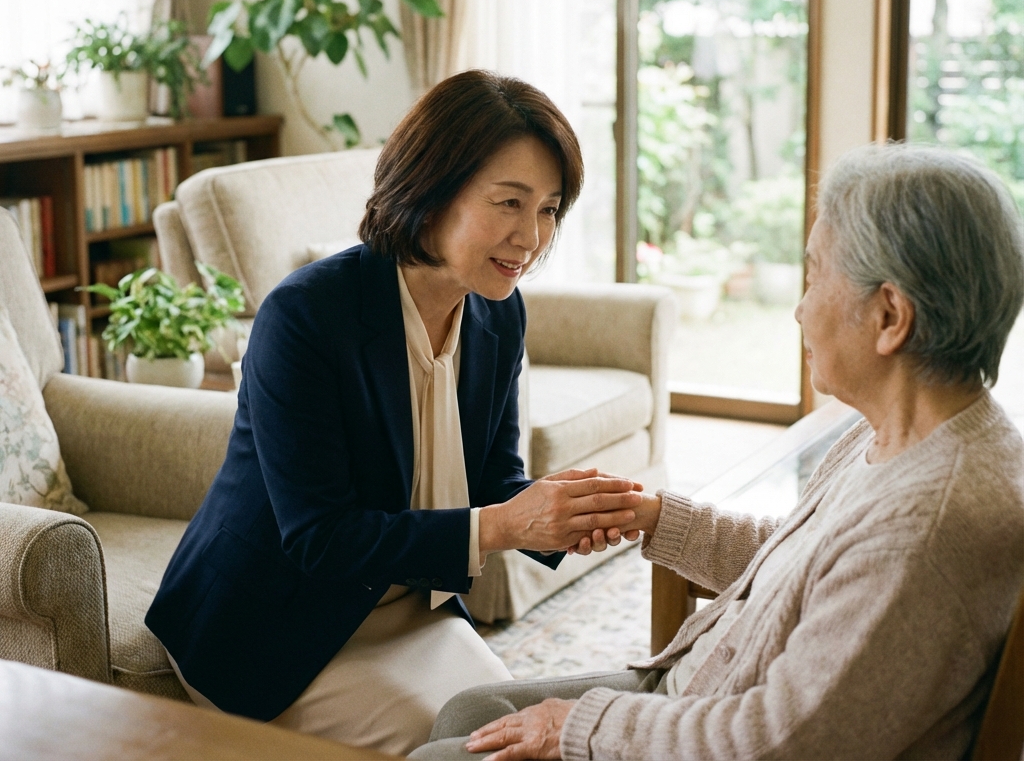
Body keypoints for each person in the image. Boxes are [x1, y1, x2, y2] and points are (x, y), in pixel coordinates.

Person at [411, 143, 1024, 761]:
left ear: (890, 315)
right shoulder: (899, 431)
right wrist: (655, 516)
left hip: (718, 728)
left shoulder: (922, 531)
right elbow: (803, 564)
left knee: (442, 756)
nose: (799, 309)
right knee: (472, 709)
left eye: (815, 276)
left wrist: (573, 728)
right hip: (704, 694)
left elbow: (768, 742)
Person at [146, 71, 643, 755]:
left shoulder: (499, 315)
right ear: (432, 190)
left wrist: (563, 514)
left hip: (409, 609)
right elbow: (319, 538)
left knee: (520, 738)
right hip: (273, 626)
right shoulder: (307, 317)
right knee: (466, 746)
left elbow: (495, 478)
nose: (531, 237)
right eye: (509, 202)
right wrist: (504, 524)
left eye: (550, 209)